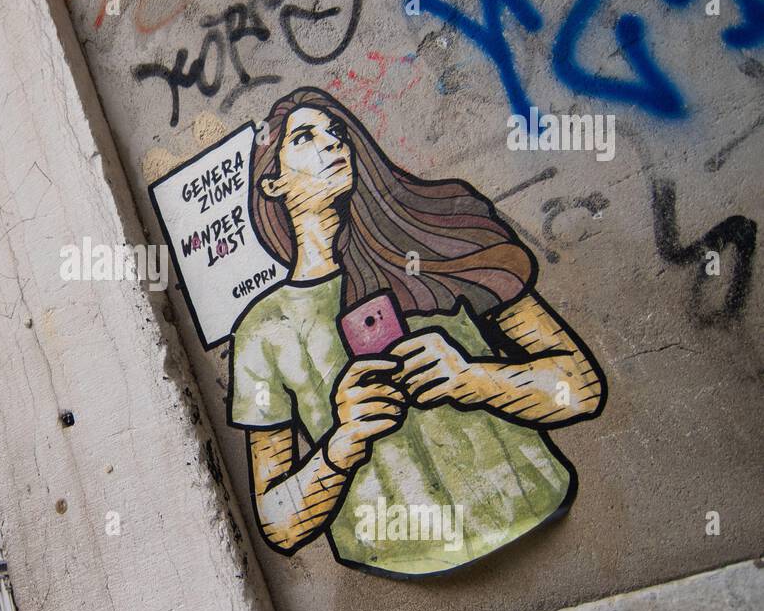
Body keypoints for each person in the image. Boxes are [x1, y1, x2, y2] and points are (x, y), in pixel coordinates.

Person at [229, 87, 606, 577]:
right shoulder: (262, 330)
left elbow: (581, 386)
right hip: (396, 560)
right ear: (273, 185)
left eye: (338, 132)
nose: (333, 145)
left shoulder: (437, 242)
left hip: (535, 514)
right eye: (305, 137)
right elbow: (279, 522)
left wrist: (473, 380)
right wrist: (344, 443)